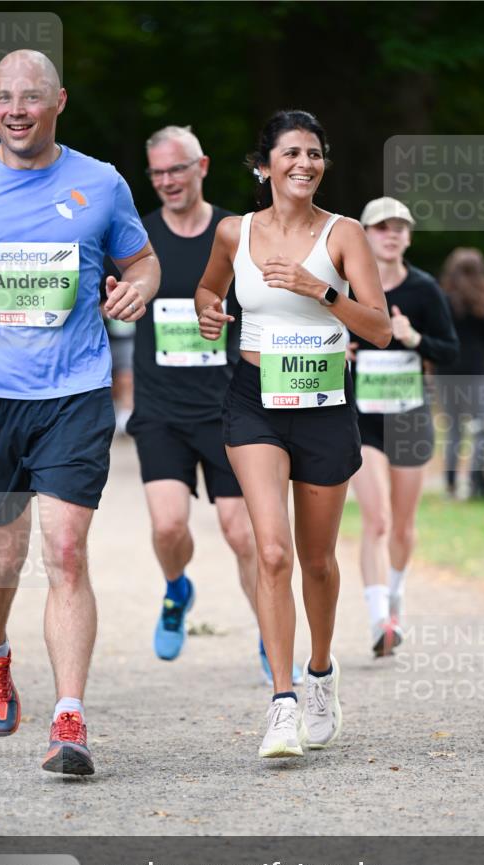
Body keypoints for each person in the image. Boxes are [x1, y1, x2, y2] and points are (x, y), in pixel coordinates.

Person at [0, 49, 160, 776]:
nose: (16, 109)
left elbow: (142, 262)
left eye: (31, 96)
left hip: (74, 395)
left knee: (67, 552)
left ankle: (70, 720)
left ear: (59, 101)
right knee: (3, 553)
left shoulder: (100, 184)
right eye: (2, 98)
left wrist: (138, 287)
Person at [196, 110, 391, 758]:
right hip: (253, 402)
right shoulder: (234, 231)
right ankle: (281, 703)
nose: (303, 163)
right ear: (265, 165)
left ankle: (319, 672)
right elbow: (208, 289)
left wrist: (322, 291)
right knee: (271, 552)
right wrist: (206, 310)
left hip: (324, 405)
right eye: (291, 153)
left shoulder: (345, 235)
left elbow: (380, 330)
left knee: (315, 561)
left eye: (313, 154)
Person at [129, 125, 300, 683]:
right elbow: (113, 293)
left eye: (176, 169)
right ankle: (177, 589)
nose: (166, 181)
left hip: (227, 407)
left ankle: (270, 640)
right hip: (161, 408)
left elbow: (270, 301)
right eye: (156, 172)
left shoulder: (235, 232)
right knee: (167, 527)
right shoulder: (138, 236)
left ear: (201, 166)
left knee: (242, 532)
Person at [350, 197, 458, 656]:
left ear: (408, 237)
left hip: (409, 418)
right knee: (376, 520)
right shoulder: (349, 286)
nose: (391, 234)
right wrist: (340, 349)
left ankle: (395, 595)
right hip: (363, 420)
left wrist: (415, 339)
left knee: (402, 525)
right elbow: (318, 336)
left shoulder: (424, 289)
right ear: (366, 235)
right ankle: (379, 620)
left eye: (399, 228)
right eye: (381, 227)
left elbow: (451, 351)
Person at [438, 247, 484, 499]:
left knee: (454, 432)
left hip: (445, 374)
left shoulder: (441, 300)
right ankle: (474, 480)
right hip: (475, 374)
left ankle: (450, 485)